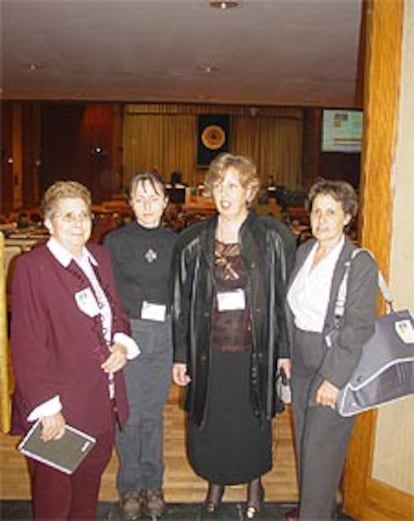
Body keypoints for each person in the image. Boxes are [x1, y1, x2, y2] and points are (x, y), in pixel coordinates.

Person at [171, 153, 296, 519]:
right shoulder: (192, 242)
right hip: (209, 349)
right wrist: (181, 355)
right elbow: (181, 305)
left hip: (254, 348)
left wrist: (284, 350)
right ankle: (216, 481)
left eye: (233, 185)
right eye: (218, 185)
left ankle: (255, 483)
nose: (223, 193)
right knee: (211, 419)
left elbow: (282, 302)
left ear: (249, 191)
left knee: (253, 419)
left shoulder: (274, 238)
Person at [10, 180, 139, 521]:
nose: (79, 223)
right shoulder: (31, 268)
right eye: (67, 216)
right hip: (60, 411)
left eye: (83, 215)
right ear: (49, 222)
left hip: (101, 402)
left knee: (86, 498)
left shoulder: (99, 256)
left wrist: (122, 345)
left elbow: (118, 313)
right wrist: (46, 408)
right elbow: (27, 345)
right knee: (54, 503)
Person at [285, 180, 378, 520]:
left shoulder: (359, 262)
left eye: (331, 212)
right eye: (317, 211)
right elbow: (292, 309)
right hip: (301, 362)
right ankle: (314, 509)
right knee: (306, 449)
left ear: (347, 217)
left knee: (321, 455)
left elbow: (358, 328)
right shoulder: (304, 251)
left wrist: (335, 379)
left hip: (332, 364)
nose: (321, 219)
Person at [104, 172, 177, 519]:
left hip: (163, 336)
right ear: (130, 202)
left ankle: (153, 484)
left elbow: (183, 297)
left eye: (154, 197)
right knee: (128, 417)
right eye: (140, 198)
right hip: (127, 337)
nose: (147, 205)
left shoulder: (177, 242)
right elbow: (109, 296)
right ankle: (129, 487)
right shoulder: (115, 241)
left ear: (165, 201)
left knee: (153, 416)